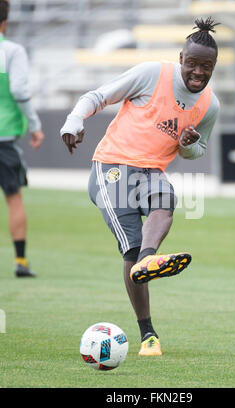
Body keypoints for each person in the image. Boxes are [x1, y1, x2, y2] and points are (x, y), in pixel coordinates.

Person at [60, 17, 220, 356]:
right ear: (181, 58)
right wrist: (74, 121)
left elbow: (195, 152)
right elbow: (99, 96)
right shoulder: (152, 73)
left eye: (206, 67)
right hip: (111, 167)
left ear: (213, 67)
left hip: (151, 172)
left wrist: (188, 142)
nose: (198, 72)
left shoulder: (210, 105)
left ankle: (149, 260)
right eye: (192, 63)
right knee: (129, 250)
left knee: (166, 200)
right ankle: (147, 331)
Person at [0, 0, 45, 277]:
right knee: (14, 198)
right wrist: (35, 125)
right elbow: (18, 88)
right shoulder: (12, 50)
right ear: (6, 21)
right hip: (4, 135)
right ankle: (21, 262)